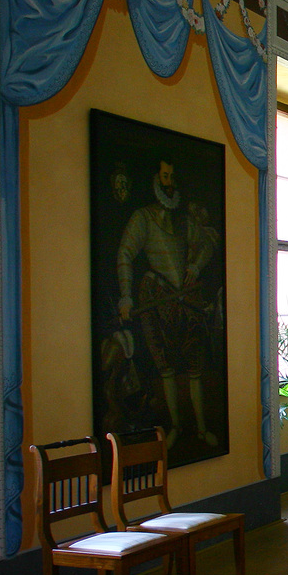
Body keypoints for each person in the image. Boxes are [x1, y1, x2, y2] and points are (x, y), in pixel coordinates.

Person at [116, 158, 220, 451]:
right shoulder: (142, 218)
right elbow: (125, 253)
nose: (169, 182)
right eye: (165, 175)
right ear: (155, 179)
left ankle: (201, 429)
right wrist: (126, 295)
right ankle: (176, 426)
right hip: (157, 300)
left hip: (185, 301)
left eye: (173, 176)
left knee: (194, 366)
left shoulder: (184, 222)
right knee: (167, 368)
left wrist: (196, 268)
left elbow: (207, 246)